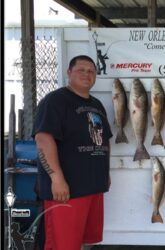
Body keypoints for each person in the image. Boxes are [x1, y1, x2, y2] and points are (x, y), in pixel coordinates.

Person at [32, 55, 112, 250]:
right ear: (69, 73)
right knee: (62, 245)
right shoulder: (55, 101)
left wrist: (105, 173)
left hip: (92, 188)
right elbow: (43, 139)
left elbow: (104, 140)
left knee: (84, 242)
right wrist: (56, 179)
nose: (87, 74)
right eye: (81, 70)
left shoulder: (96, 104)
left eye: (91, 71)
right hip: (66, 192)